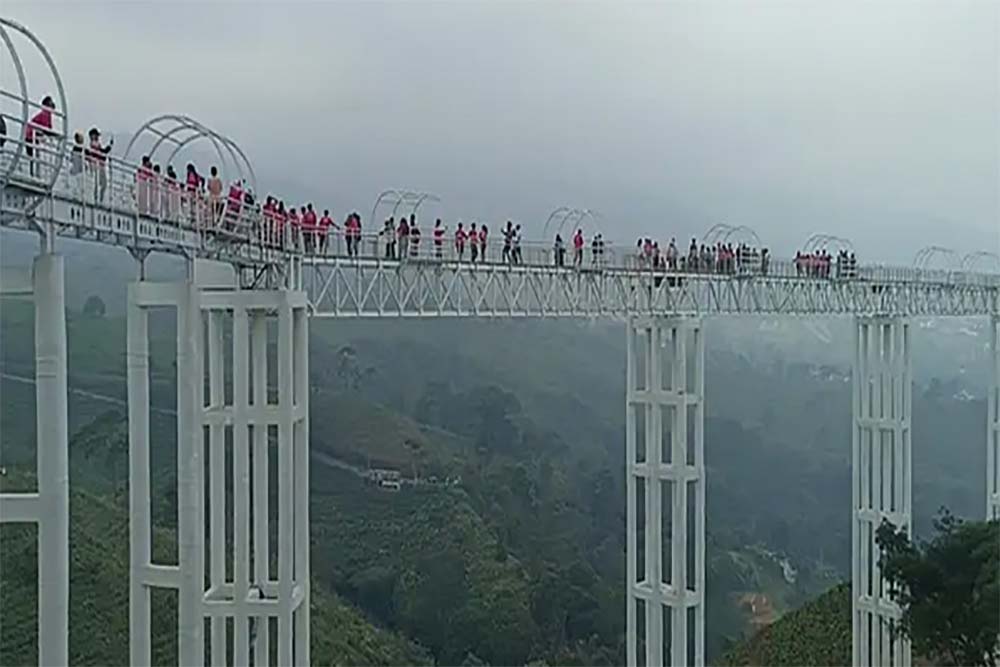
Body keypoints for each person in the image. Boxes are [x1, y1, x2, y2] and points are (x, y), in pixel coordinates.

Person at [25, 96, 57, 176]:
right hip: (31, 136)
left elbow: (48, 128)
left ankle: (33, 173)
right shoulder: (45, 114)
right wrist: (53, 134)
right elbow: (46, 129)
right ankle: (33, 173)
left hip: (32, 135)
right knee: (33, 156)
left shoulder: (47, 114)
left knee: (33, 157)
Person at [85, 127, 112, 203]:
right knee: (99, 184)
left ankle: (99, 199)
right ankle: (98, 199)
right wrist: (107, 148)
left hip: (99, 165)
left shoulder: (96, 144)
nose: (97, 137)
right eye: (96, 135)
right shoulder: (94, 144)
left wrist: (107, 148)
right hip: (96, 165)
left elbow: (102, 152)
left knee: (101, 184)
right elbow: (101, 153)